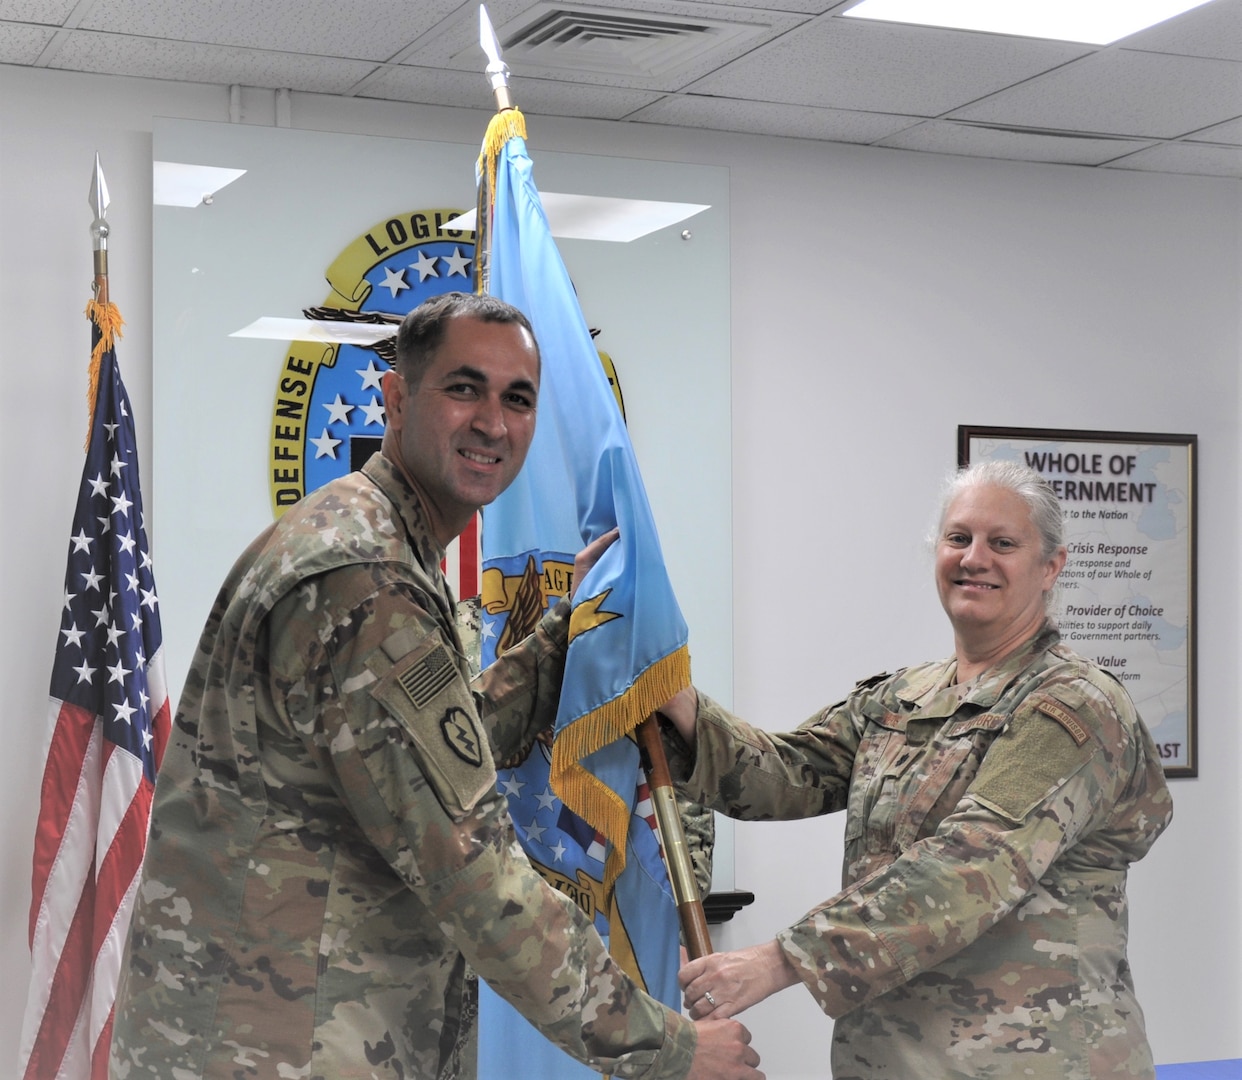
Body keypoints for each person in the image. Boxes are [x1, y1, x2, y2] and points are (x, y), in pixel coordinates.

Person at [110, 292, 763, 1080]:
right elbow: (473, 869)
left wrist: (561, 637)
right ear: (393, 398)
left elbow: (437, 752)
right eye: (463, 387)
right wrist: (672, 1048)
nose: (493, 421)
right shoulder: (364, 577)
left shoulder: (373, 540)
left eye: (517, 398)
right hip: (283, 1045)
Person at [663, 460, 1172, 1079]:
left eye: (1003, 543)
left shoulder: (1072, 705)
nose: (974, 558)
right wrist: (675, 701)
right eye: (958, 538)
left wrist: (781, 960)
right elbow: (785, 773)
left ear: (1051, 568)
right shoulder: (903, 698)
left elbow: (971, 866)